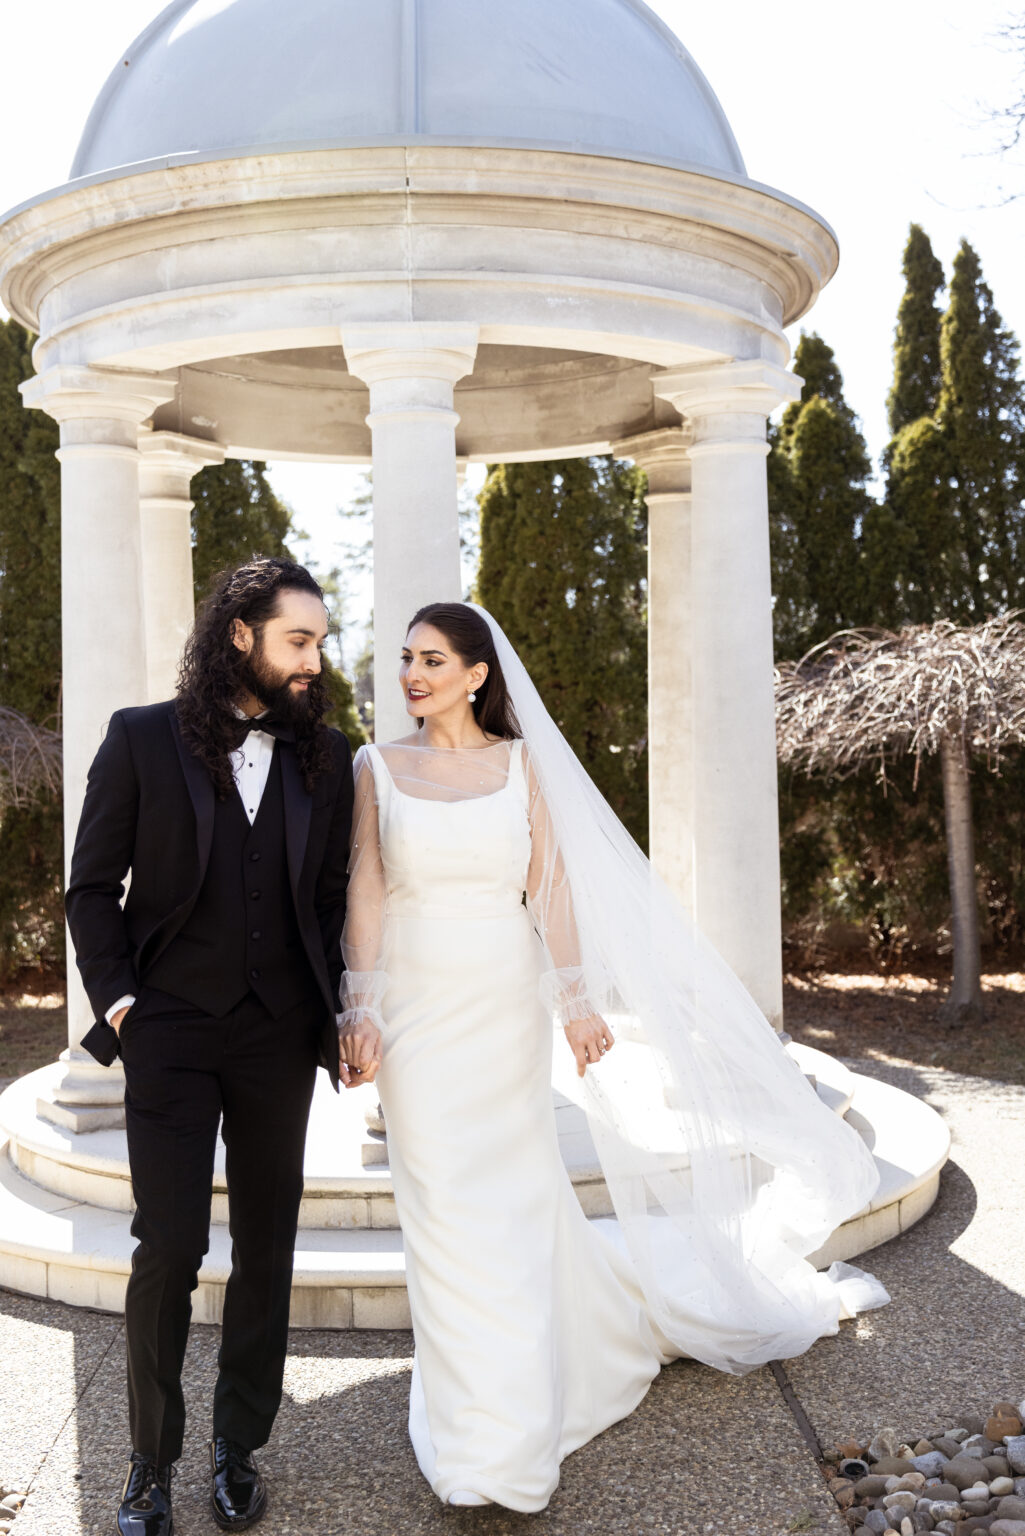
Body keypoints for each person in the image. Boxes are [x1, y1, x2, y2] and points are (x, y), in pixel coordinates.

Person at [337, 600, 888, 1514]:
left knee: (511, 1202)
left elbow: (548, 886)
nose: (411, 674)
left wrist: (574, 1000)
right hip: (418, 1013)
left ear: (478, 675)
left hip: (501, 1002)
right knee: (437, 1203)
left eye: (432, 659)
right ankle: (474, 1423)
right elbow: (366, 888)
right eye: (405, 659)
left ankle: (505, 1433)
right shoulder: (375, 766)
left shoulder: (522, 766)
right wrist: (363, 1006)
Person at [66, 557, 361, 1536]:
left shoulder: (328, 757)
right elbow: (89, 887)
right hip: (171, 1034)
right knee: (170, 1245)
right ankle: (148, 1465)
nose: (315, 659)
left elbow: (325, 904)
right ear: (240, 634)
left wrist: (341, 1011)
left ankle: (240, 1447)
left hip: (279, 1035)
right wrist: (119, 1005)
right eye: (299, 640)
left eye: (318, 641)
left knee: (268, 1243)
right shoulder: (142, 738)